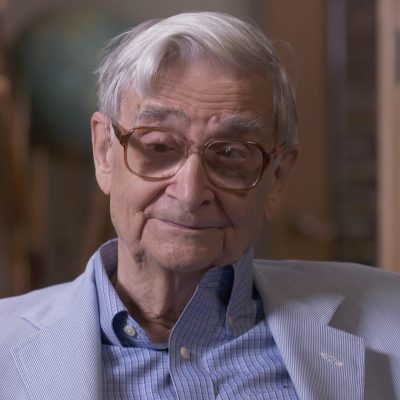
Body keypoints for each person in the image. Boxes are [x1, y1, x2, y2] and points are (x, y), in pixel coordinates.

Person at [0, 11, 399, 400]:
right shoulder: (8, 345)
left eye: (230, 152)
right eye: (157, 147)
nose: (190, 193)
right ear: (105, 152)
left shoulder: (388, 315)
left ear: (276, 177)